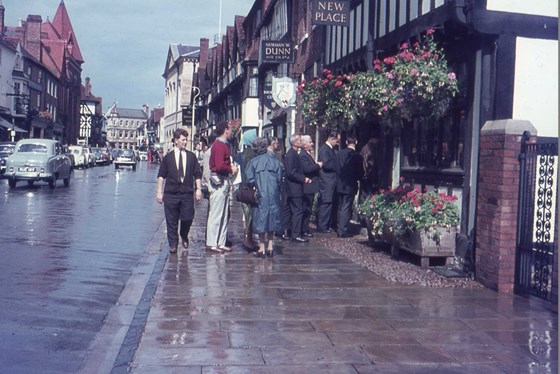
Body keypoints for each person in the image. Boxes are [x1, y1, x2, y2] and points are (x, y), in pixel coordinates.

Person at [156, 128, 203, 254]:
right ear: (176, 140)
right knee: (171, 220)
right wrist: (159, 192)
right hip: (171, 194)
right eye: (183, 140)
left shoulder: (191, 157)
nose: (185, 142)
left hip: (187, 193)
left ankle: (184, 233)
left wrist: (198, 189)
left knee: (188, 217)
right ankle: (173, 244)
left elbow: (197, 174)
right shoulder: (168, 158)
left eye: (186, 140)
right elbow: (161, 175)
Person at [245, 137, 283, 257]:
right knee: (272, 218)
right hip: (273, 194)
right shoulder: (276, 162)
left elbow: (249, 179)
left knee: (261, 219)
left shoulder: (253, 162)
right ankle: (270, 247)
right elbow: (279, 179)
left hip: (260, 194)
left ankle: (262, 248)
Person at [206, 121, 238, 253]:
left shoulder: (222, 145)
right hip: (218, 182)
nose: (231, 132)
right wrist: (231, 169)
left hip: (223, 182)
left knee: (223, 213)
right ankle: (212, 242)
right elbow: (219, 166)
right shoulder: (219, 146)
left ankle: (220, 242)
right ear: (226, 130)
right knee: (217, 213)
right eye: (230, 129)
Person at [284, 134, 311, 243]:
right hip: (294, 188)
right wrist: (303, 179)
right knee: (298, 211)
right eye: (299, 140)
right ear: (294, 143)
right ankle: (296, 234)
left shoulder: (293, 154)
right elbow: (291, 172)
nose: (301, 141)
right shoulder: (291, 155)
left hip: (293, 188)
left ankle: (289, 231)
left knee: (292, 211)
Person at [335, 135, 364, 238]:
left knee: (340, 206)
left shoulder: (338, 154)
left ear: (346, 142)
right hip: (350, 185)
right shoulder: (357, 156)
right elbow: (360, 173)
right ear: (356, 142)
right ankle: (342, 230)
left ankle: (339, 226)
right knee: (346, 207)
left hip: (339, 184)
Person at [238, 131, 258, 252]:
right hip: (249, 188)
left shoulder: (241, 154)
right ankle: (248, 240)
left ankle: (247, 239)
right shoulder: (252, 154)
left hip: (242, 188)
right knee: (250, 215)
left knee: (245, 216)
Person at [317, 131, 339, 233]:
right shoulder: (325, 149)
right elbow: (326, 164)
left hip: (330, 181)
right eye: (337, 141)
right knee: (326, 203)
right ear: (332, 138)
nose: (337, 144)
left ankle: (326, 225)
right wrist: (338, 166)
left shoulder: (329, 149)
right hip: (327, 181)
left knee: (329, 203)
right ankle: (322, 226)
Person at [299, 135, 322, 237]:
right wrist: (318, 165)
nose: (312, 144)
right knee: (306, 208)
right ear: (304, 145)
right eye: (310, 142)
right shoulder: (303, 155)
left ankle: (305, 228)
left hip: (310, 186)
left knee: (308, 208)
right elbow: (307, 169)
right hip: (307, 186)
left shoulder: (307, 154)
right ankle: (303, 229)